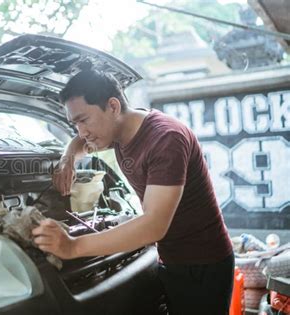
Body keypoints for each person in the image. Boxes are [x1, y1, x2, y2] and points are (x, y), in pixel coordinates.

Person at [32, 70, 235, 315]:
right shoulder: (116, 131)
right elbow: (79, 143)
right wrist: (67, 159)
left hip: (203, 262)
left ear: (113, 106)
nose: (81, 131)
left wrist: (73, 247)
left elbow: (153, 226)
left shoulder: (165, 139)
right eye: (75, 123)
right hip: (171, 258)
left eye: (83, 120)